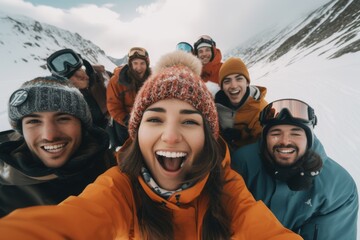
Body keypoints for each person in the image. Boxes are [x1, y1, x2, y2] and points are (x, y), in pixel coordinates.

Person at [0, 52, 302, 240]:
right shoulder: (118, 188)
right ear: (136, 132)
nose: (170, 137)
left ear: (209, 138)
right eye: (155, 120)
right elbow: (72, 221)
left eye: (189, 121)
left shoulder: (229, 188)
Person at [231, 98, 358, 240]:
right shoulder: (243, 163)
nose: (285, 141)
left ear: (309, 138)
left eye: (295, 133)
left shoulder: (337, 187)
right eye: (275, 133)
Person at [0, 76, 115, 217]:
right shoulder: (4, 187)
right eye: (34, 121)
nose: (49, 135)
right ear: (21, 130)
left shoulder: (113, 166)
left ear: (82, 125)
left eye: (63, 118)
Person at [47, 48, 110, 130]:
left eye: (80, 70)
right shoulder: (61, 97)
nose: (80, 76)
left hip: (110, 119)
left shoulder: (99, 75)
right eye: (72, 76)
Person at [215, 57, 267, 151]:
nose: (234, 86)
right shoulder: (216, 106)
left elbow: (264, 143)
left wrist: (242, 135)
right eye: (227, 81)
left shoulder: (261, 110)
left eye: (239, 79)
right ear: (222, 87)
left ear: (247, 82)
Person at [106, 47, 151, 149]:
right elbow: (113, 105)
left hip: (147, 120)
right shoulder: (116, 81)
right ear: (130, 64)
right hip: (124, 122)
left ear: (147, 64)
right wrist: (127, 120)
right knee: (127, 148)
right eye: (135, 63)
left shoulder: (152, 79)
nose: (138, 67)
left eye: (142, 63)